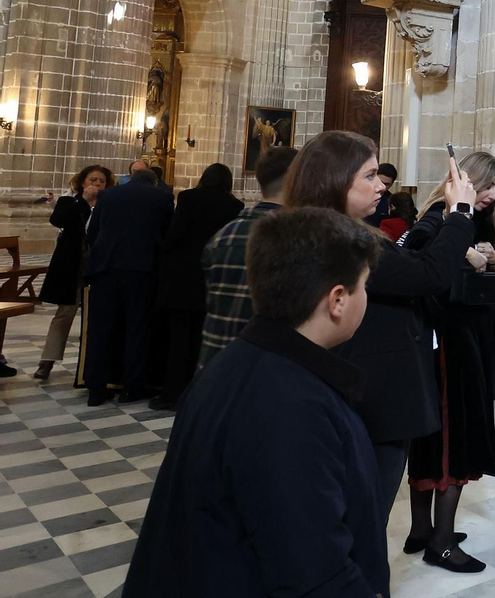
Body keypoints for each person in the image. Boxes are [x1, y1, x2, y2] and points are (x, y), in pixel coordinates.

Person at [122, 207, 389, 598]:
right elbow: (313, 574)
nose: (367, 297)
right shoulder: (290, 407)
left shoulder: (245, 362)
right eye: (363, 286)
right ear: (337, 300)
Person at [281, 131, 477, 513]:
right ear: (334, 181)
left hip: (362, 388)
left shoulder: (322, 230)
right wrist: (461, 213)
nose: (380, 189)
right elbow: (427, 276)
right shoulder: (345, 239)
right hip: (370, 394)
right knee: (364, 513)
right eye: (369, 177)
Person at [402, 150, 495, 574]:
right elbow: (423, 255)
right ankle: (441, 543)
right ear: (468, 181)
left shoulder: (474, 222)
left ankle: (421, 529)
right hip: (448, 345)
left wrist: (491, 259)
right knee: (451, 439)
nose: (492, 194)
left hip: (464, 339)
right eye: (488, 185)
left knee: (435, 438)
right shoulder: (438, 218)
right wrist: (466, 255)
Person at [152, 163, 244, 410]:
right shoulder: (234, 205)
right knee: (202, 338)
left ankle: (172, 394)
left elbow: (175, 233)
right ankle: (199, 391)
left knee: (179, 338)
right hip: (211, 276)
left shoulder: (189, 198)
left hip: (183, 276)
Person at [197, 148, 297, 369]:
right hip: (263, 369)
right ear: (295, 179)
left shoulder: (224, 235)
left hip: (215, 363)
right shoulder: (298, 239)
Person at [82, 168, 173, 405]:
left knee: (100, 329)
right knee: (137, 329)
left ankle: (95, 389)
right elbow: (167, 237)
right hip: (142, 271)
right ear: (154, 183)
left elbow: (92, 234)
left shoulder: (108, 195)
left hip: (105, 269)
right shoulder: (162, 197)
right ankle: (131, 389)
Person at [32, 165, 112, 381]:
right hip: (72, 264)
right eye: (92, 180)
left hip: (98, 264)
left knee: (97, 316)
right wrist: (83, 201)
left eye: (101, 181)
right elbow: (57, 220)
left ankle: (92, 366)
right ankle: (46, 361)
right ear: (82, 182)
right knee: (65, 313)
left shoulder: (110, 203)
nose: (96, 185)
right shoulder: (70, 201)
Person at [364, 162, 400, 228]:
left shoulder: (391, 201)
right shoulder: (360, 194)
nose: (382, 186)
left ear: (391, 184)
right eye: (380, 182)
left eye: (386, 184)